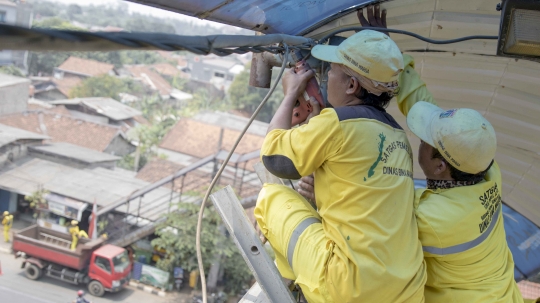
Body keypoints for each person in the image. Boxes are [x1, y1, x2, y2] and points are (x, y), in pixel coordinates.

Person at [254, 19, 432, 303]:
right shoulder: (398, 136)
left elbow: (274, 158)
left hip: (348, 288)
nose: (326, 80)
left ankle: (293, 277)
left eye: (332, 73)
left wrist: (289, 95)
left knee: (271, 196)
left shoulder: (337, 123)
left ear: (351, 84)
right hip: (405, 291)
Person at [404, 101, 523, 302]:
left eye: (425, 140)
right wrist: (406, 76)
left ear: (440, 166)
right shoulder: (489, 173)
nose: (420, 140)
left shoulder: (433, 219)